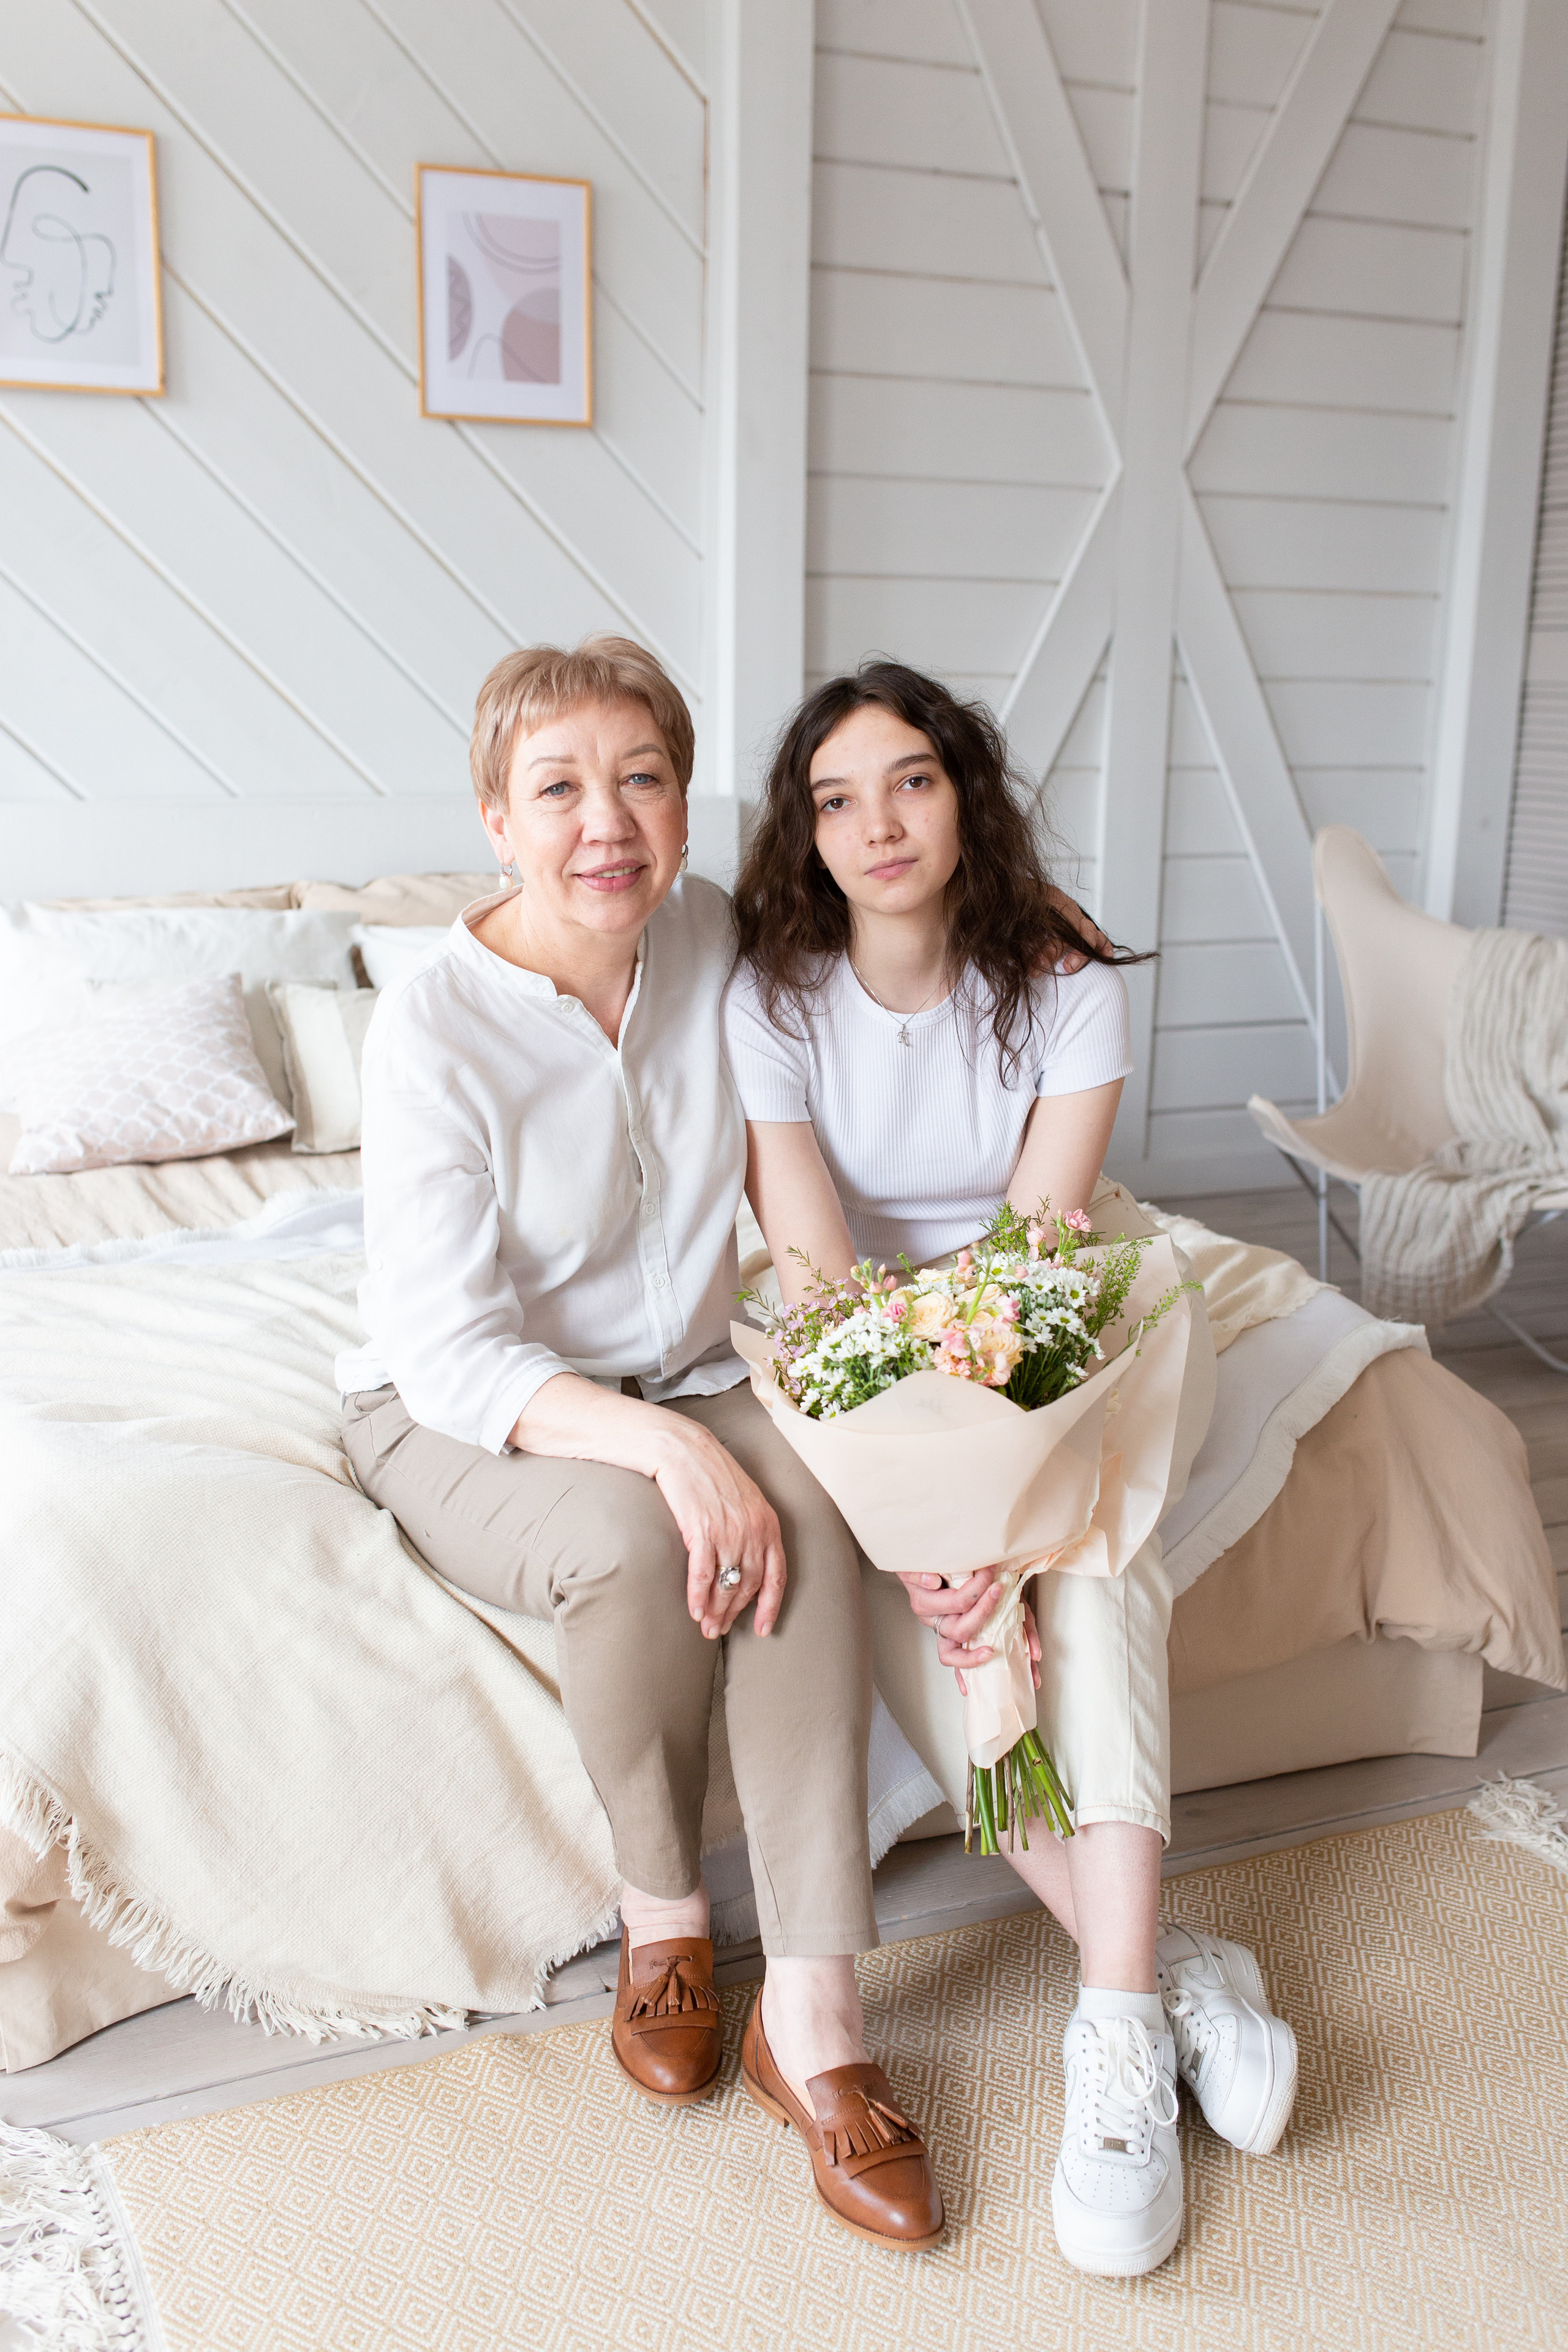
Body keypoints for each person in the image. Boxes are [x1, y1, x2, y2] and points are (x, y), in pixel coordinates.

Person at [335, 638, 944, 2250]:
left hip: (687, 1365)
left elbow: (844, 1071)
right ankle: (665, 1920)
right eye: (558, 790)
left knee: (807, 1501)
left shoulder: (721, 943)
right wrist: (675, 1458)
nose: (605, 822)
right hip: (465, 1401)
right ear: (494, 820)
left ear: (685, 804)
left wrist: (864, 1375)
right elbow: (452, 1344)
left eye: (643, 780)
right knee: (627, 1534)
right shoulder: (430, 1032)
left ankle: (812, 2015)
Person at [723, 660, 1298, 2280]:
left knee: (1097, 1561)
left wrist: (990, 1512)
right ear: (803, 834)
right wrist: (924, 1524)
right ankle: (1173, 1968)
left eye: (909, 779)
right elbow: (822, 1280)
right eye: (835, 798)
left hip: (1029, 1313)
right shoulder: (771, 994)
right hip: (860, 1345)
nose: (876, 823)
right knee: (923, 1615)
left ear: (964, 791)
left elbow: (1038, 1253)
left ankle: (1111, 2044)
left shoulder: (1065, 978)